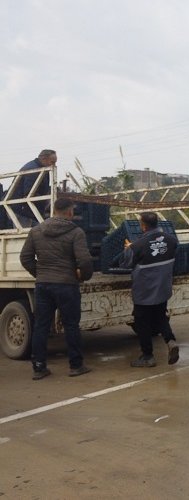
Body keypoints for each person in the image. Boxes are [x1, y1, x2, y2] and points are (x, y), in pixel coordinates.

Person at [20, 197, 94, 380]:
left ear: (53, 211)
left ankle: (39, 367)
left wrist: (40, 273)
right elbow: (84, 261)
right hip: (67, 285)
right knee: (71, 326)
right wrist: (83, 276)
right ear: (70, 212)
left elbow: (25, 257)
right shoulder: (76, 232)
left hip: (43, 285)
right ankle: (76, 366)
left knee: (41, 326)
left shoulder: (36, 231)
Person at [120, 212, 180, 368]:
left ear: (143, 225)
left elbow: (126, 264)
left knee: (142, 322)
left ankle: (147, 356)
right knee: (160, 316)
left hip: (144, 291)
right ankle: (170, 340)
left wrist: (128, 248)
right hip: (162, 288)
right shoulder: (172, 241)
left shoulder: (138, 245)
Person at [12, 149, 55, 227]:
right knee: (27, 235)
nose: (54, 165)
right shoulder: (33, 170)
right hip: (23, 211)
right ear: (43, 159)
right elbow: (29, 193)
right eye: (52, 162)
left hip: (25, 209)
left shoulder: (40, 168)